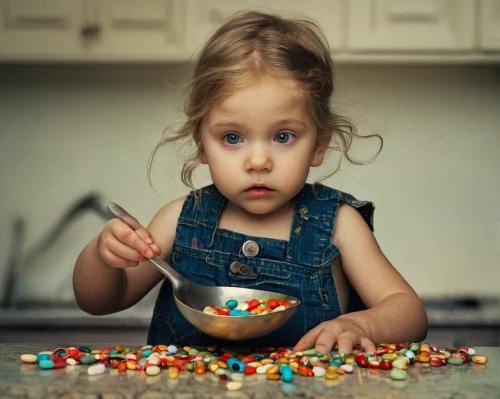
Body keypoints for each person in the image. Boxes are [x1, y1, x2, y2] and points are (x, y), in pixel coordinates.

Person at [73, 10, 428, 356]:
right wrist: (102, 259)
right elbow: (100, 301)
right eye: (231, 138)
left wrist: (363, 325)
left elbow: (408, 311)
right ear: (202, 145)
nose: (258, 162)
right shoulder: (178, 219)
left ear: (319, 144)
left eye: (284, 136)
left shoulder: (337, 224)